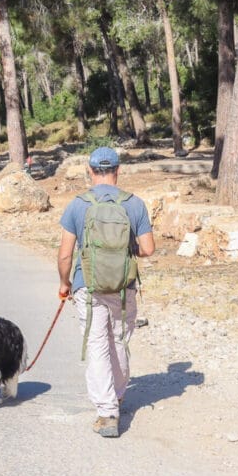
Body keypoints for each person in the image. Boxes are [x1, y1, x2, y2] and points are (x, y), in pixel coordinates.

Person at [56, 146, 155, 438]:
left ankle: (107, 412)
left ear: (90, 171)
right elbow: (148, 248)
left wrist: (64, 283)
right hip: (124, 286)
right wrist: (127, 249)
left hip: (87, 283)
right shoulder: (134, 204)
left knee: (97, 343)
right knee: (119, 339)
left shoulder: (77, 205)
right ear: (118, 170)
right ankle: (119, 394)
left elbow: (65, 254)